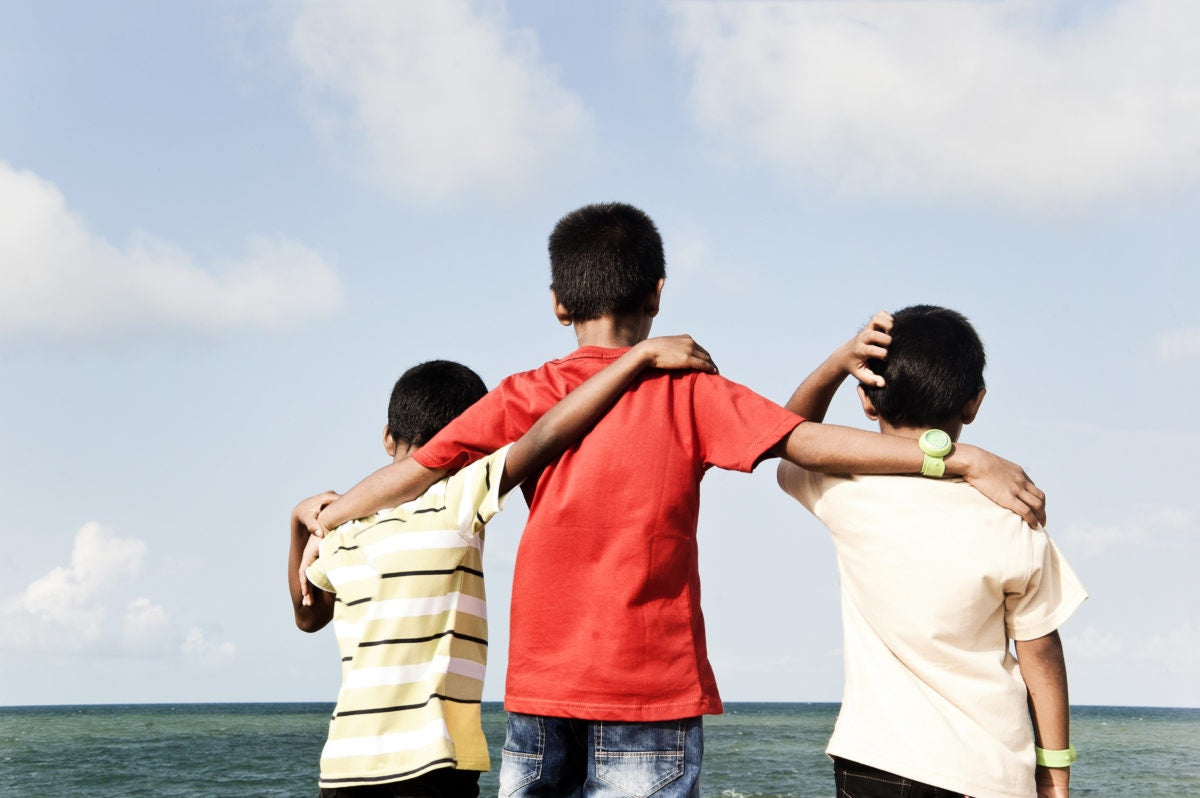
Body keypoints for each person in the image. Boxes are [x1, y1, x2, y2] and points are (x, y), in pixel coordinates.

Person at [311, 203, 1047, 797]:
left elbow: (418, 471)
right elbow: (805, 442)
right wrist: (956, 456)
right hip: (652, 692)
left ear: (559, 305)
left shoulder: (524, 393)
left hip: (541, 690)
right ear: (657, 294)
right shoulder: (690, 390)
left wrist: (328, 514)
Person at [288, 336, 719, 798]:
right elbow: (548, 434)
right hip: (431, 761)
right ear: (474, 442)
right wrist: (637, 358)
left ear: (387, 437)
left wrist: (299, 524)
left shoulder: (346, 530)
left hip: (344, 765)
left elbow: (307, 616)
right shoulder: (455, 497)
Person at [777, 305, 1086, 798]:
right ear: (973, 403)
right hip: (989, 773)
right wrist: (1055, 774)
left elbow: (786, 437)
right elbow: (1040, 654)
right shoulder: (1014, 515)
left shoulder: (844, 491)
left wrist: (838, 362)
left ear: (866, 399)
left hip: (876, 761)